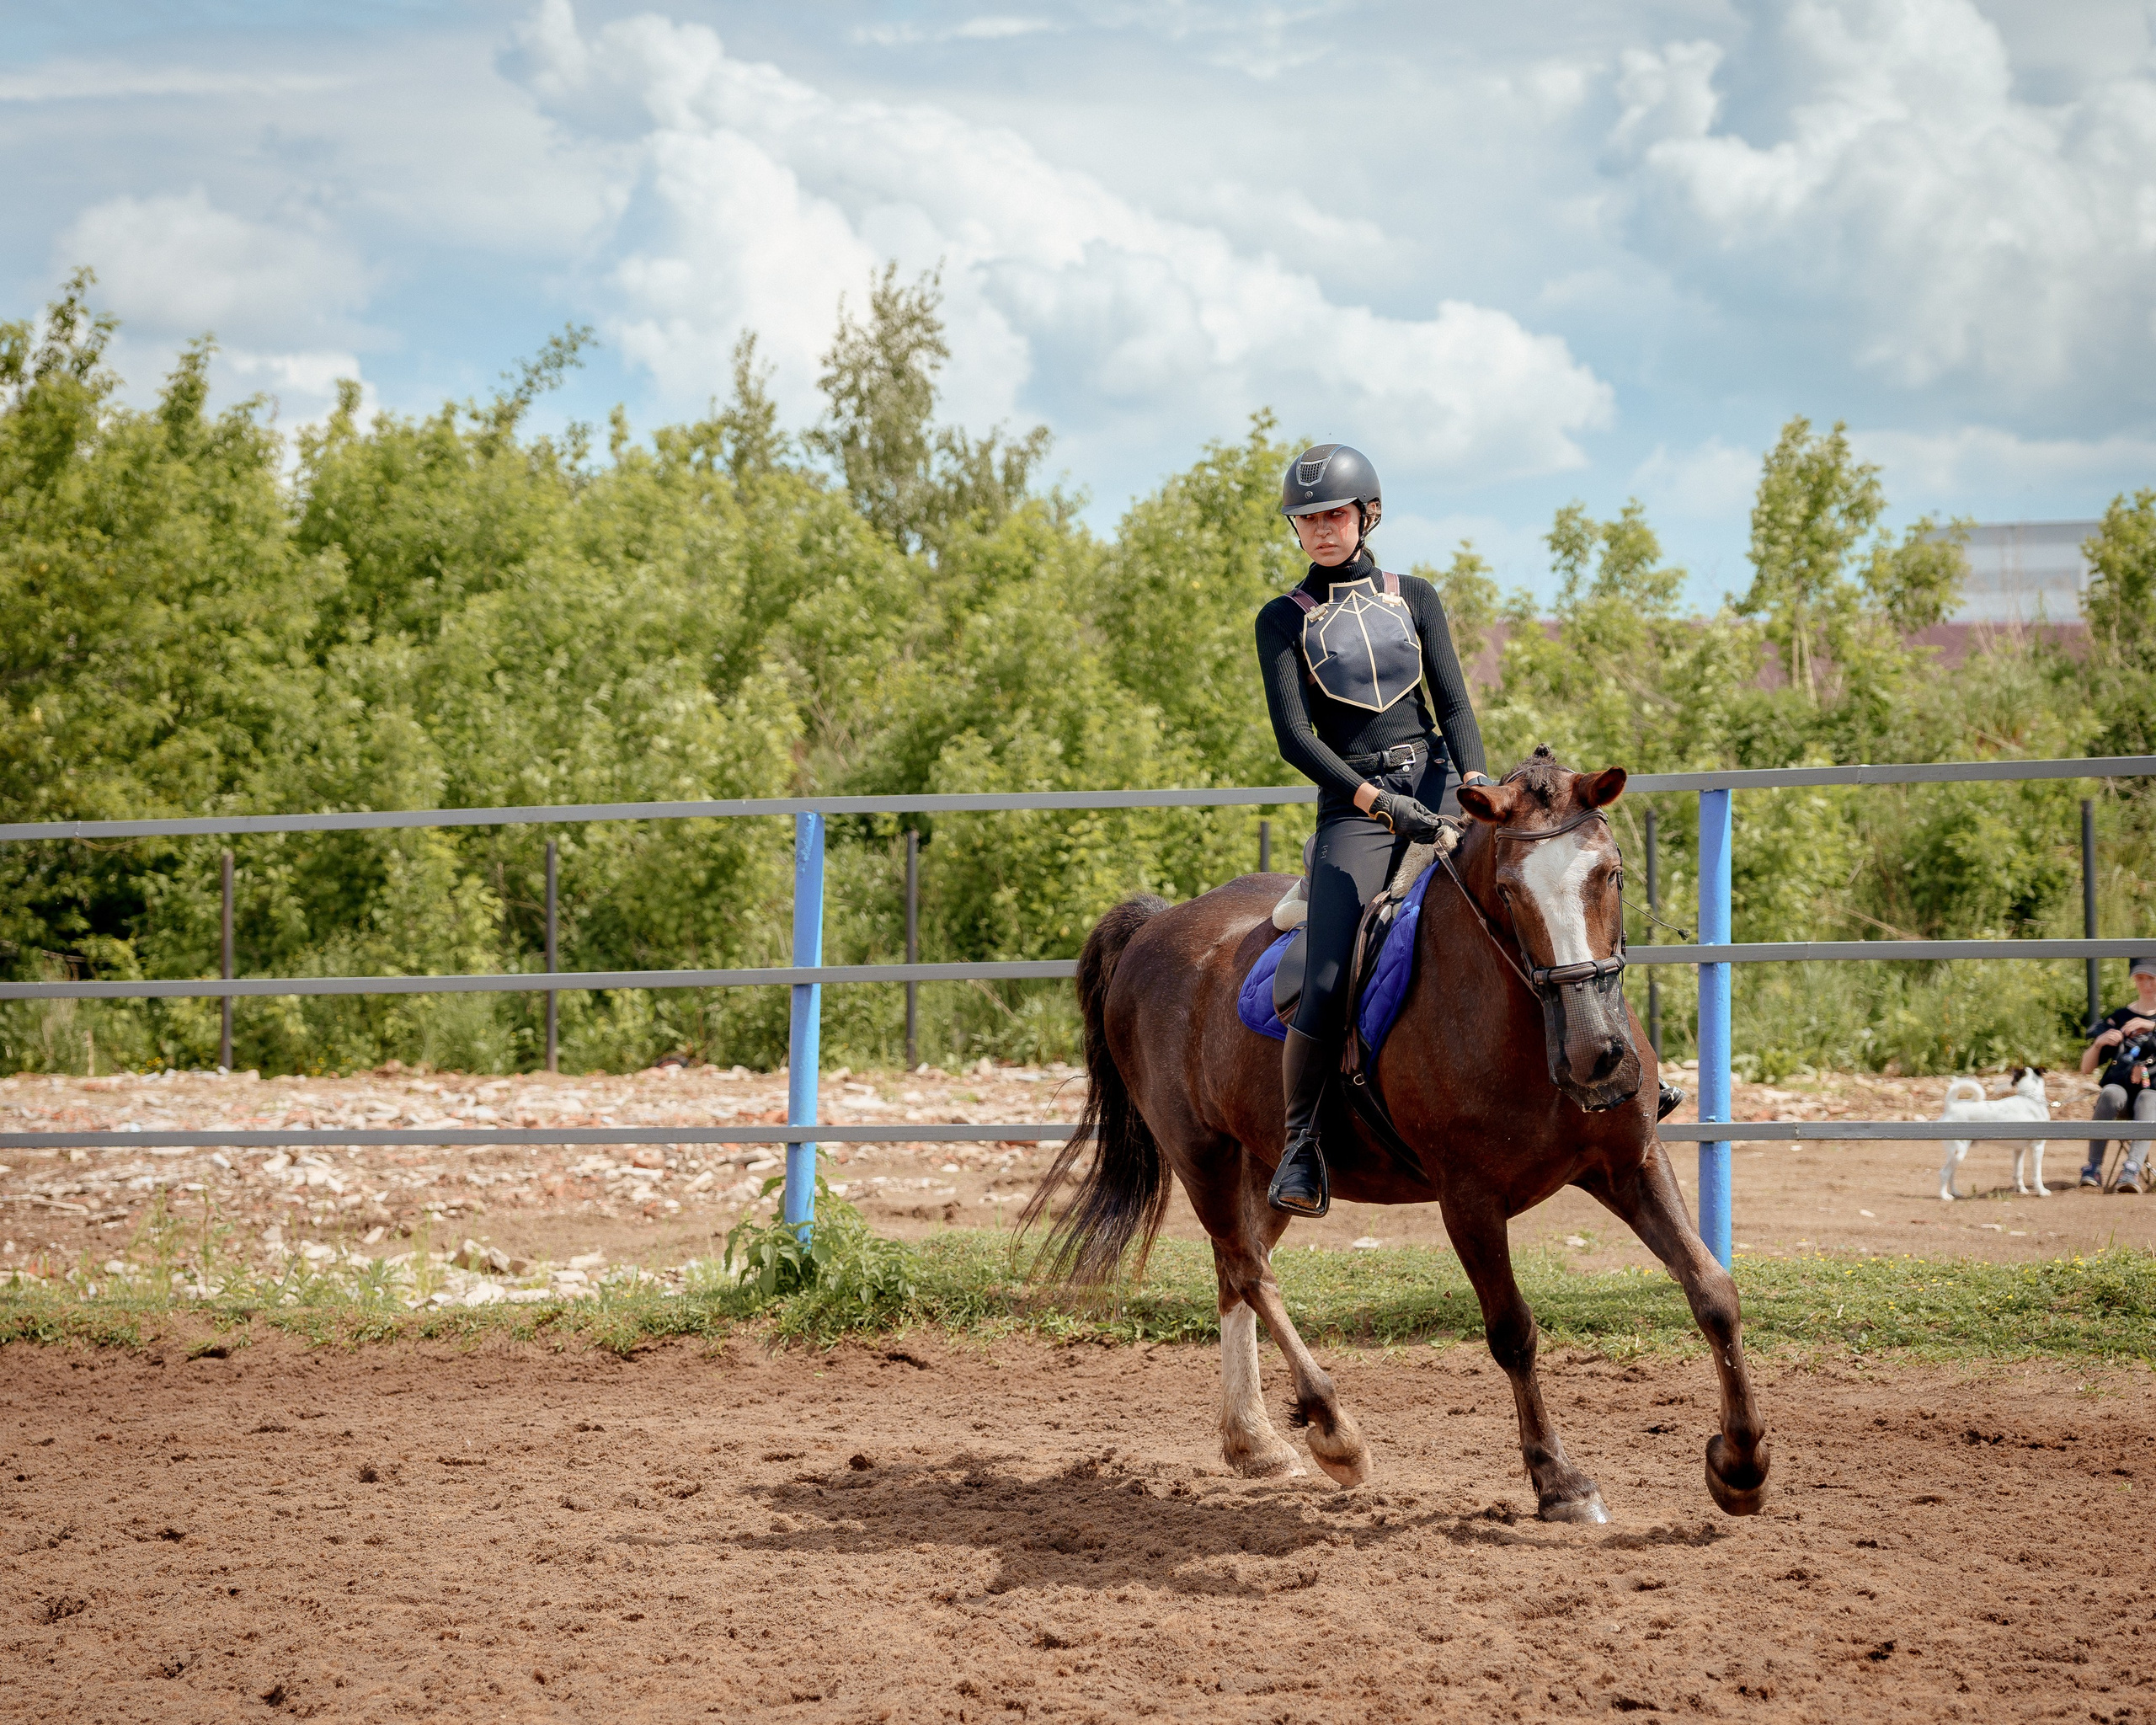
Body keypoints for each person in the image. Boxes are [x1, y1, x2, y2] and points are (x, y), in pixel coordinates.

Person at [1253, 443, 1489, 1216]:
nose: (1321, 530)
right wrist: (1377, 804)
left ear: (1367, 515)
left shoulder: (1415, 596)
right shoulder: (1282, 620)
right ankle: (1299, 1145)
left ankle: (1614, 1071)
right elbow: (1296, 739)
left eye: (1335, 515)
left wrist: (1476, 784)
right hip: (1354, 804)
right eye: (1307, 519)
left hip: (1439, 779)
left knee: (1536, 889)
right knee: (1325, 974)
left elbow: (1452, 705)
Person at [2079, 954, 2156, 1194]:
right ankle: (2093, 1168)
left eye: (2152, 978)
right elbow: (2086, 1068)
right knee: (2110, 1093)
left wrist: (2152, 1027)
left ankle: (2131, 1169)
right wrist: (2098, 1044)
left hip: (2152, 1097)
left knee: (2148, 1098)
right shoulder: (2120, 1017)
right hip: (2122, 1091)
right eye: (2140, 978)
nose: (2146, 984)